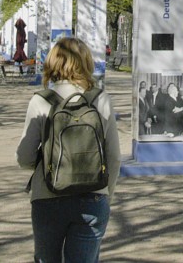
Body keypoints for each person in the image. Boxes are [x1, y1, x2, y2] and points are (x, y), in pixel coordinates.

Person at [17, 37, 121, 263]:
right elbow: (113, 157)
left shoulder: (41, 101)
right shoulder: (100, 99)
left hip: (48, 196)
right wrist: (106, 195)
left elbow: (24, 157)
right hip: (92, 197)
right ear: (86, 62)